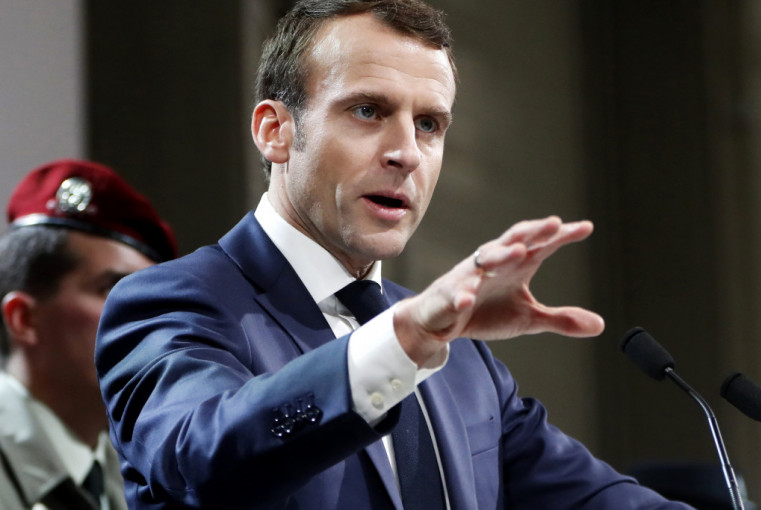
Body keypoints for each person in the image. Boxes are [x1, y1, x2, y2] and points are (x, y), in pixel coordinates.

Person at [95, 1, 694, 509]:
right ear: (276, 131)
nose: (406, 152)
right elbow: (203, 456)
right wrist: (401, 342)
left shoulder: (461, 356)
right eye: (368, 110)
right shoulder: (172, 304)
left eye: (429, 124)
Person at [0, 159, 177, 510]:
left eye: (154, 300)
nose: (153, 321)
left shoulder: (145, 475)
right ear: (24, 319)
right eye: (115, 292)